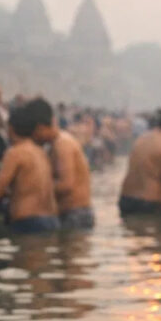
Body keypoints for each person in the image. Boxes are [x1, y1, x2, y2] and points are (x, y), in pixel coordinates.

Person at [0, 103, 59, 234]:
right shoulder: (41, 151)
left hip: (28, 222)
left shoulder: (15, 153)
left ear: (10, 128)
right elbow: (25, 190)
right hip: (52, 221)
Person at [30, 98, 93, 229]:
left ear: (40, 128)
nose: (35, 138)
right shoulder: (57, 143)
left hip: (76, 213)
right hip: (73, 212)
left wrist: (33, 190)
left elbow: (66, 185)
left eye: (35, 133)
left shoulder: (62, 145)